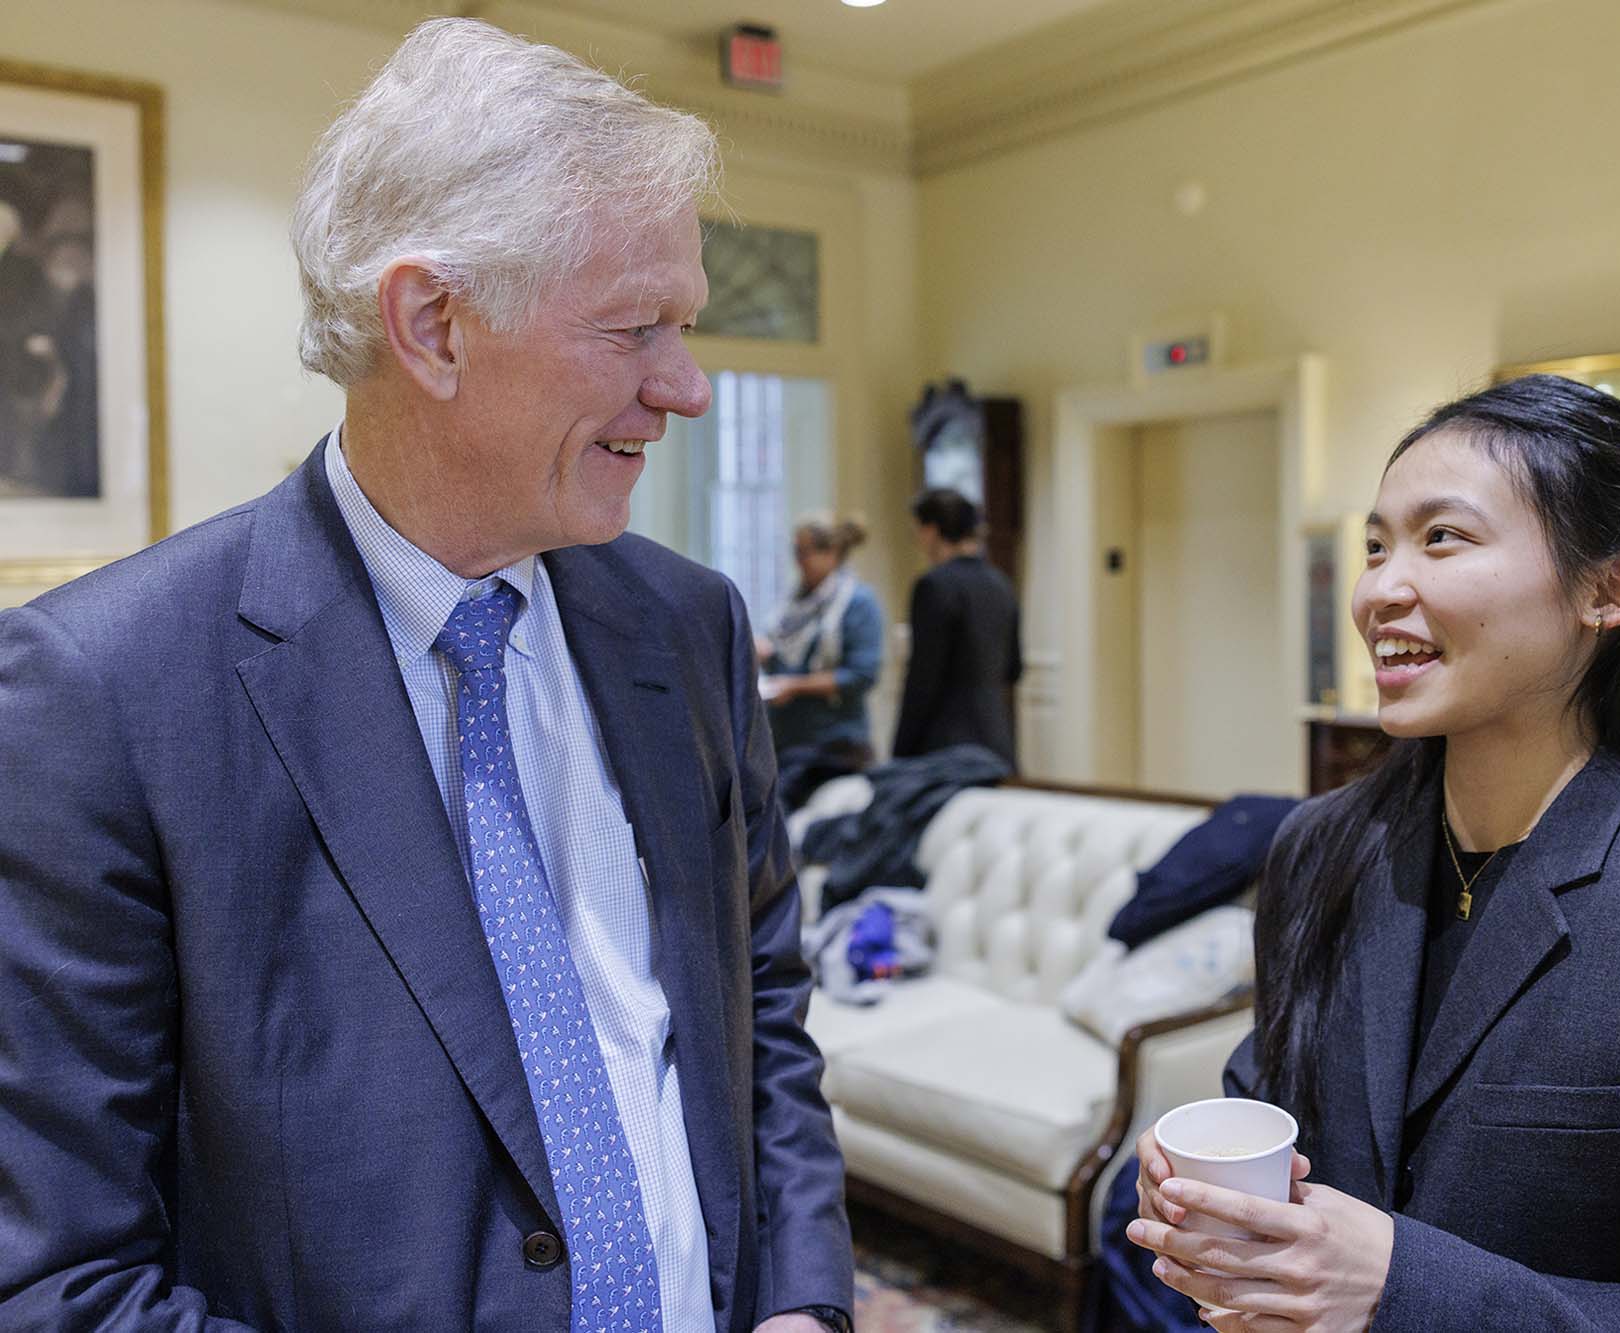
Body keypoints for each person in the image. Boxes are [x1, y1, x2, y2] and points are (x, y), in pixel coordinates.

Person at [0, 19, 851, 1332]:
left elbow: (763, 1005)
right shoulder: (105, 696)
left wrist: (802, 1299)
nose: (683, 386)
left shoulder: (687, 628)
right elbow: (61, 1280)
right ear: (434, 324)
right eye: (635, 330)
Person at [1125, 375, 1620, 1330]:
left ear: (1609, 589)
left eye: (1441, 537)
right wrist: (1199, 1181)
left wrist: (1399, 1287)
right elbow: (1272, 1091)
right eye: (1376, 545)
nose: (1379, 589)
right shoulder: (1319, 849)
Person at [891, 486, 1024, 768]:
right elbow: (1014, 668)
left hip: (946, 745)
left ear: (931, 530)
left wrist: (899, 755)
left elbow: (923, 680)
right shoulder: (1001, 583)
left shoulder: (934, 586)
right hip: (996, 742)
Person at [759, 513, 885, 801]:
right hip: (786, 739)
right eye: (795, 552)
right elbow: (789, 661)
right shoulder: (793, 602)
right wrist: (764, 654)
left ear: (831, 554)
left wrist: (794, 686)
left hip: (834, 745)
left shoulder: (857, 602)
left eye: (804, 553)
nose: (798, 561)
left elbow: (860, 676)